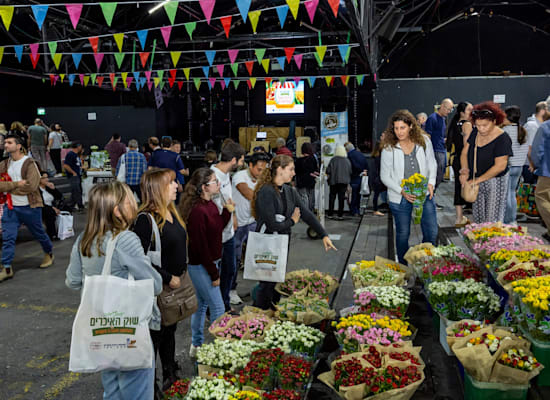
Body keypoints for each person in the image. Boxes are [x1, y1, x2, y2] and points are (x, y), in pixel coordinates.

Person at [65, 181, 162, 400]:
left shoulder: (84, 239)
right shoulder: (125, 239)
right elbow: (154, 284)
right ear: (117, 210)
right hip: (128, 330)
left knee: (113, 390)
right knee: (137, 390)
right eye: (129, 200)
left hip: (103, 329)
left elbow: (72, 281)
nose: (135, 203)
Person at [251, 155, 337, 310]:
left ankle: (271, 312)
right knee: (267, 284)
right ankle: (260, 314)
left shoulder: (289, 191)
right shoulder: (266, 192)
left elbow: (306, 213)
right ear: (280, 170)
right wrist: (292, 222)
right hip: (267, 243)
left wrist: (323, 234)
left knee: (276, 281)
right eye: (290, 169)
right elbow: (271, 224)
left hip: (282, 242)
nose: (293, 173)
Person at [132, 169, 188, 392]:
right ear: (157, 189)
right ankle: (150, 386)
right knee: (154, 337)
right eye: (171, 183)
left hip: (174, 289)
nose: (176, 186)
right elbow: (138, 261)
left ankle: (169, 373)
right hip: (158, 290)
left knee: (170, 331)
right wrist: (166, 277)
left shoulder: (172, 212)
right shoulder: (145, 220)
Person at [178, 168, 233, 357]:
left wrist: (227, 212)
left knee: (201, 305)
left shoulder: (209, 205)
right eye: (214, 181)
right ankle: (221, 350)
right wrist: (214, 274)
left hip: (210, 262)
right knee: (217, 306)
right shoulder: (198, 212)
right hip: (201, 266)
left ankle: (196, 345)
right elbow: (200, 248)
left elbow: (216, 228)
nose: (218, 184)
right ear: (204, 187)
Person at [380, 110, 438, 265]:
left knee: (432, 231)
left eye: (402, 127)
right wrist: (402, 191)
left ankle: (428, 265)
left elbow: (432, 163)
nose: (399, 132)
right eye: (396, 128)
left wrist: (431, 182)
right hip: (399, 197)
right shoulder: (389, 147)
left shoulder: (424, 141)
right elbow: (384, 176)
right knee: (403, 234)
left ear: (411, 126)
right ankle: (404, 269)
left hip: (424, 193)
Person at [0, 135, 54, 282]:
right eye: (5, 142)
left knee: (39, 233)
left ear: (18, 146)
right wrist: (16, 185)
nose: (6, 145)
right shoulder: (4, 164)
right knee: (8, 237)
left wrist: (8, 188)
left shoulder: (30, 163)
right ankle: (6, 267)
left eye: (9, 142)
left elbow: (32, 186)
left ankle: (49, 252)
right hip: (11, 208)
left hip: (30, 207)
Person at [460, 102, 512, 224]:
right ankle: (479, 242)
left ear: (494, 121)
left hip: (495, 182)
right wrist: (464, 171)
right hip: (476, 180)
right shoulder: (475, 132)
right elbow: (464, 153)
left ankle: (490, 242)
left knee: (492, 220)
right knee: (478, 218)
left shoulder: (502, 138)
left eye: (485, 125)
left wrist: (477, 180)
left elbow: (500, 166)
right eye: (478, 125)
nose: (481, 129)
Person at [210, 142, 245, 311]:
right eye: (241, 160)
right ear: (233, 160)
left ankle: (224, 304)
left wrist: (235, 217)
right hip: (216, 235)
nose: (242, 164)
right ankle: (214, 308)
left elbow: (229, 200)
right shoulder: (212, 176)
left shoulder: (226, 175)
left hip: (229, 233)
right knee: (215, 274)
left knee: (230, 270)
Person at [231, 152, 269, 304]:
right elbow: (248, 193)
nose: (262, 173)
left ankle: (260, 289)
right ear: (250, 165)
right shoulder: (240, 176)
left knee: (259, 256)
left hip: (253, 222)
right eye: (259, 169)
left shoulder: (263, 179)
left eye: (264, 170)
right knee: (234, 258)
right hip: (238, 224)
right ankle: (231, 290)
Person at [446, 102, 473, 227]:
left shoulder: (455, 124)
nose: (472, 111)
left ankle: (459, 217)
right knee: (468, 187)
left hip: (456, 159)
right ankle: (462, 217)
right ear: (462, 112)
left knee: (458, 187)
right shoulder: (466, 125)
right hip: (465, 161)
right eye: (469, 109)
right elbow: (467, 146)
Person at [425, 98, 454, 207]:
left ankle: (432, 196)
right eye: (448, 109)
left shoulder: (443, 119)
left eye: (450, 110)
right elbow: (427, 135)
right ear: (442, 106)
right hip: (435, 150)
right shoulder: (432, 118)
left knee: (440, 175)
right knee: (436, 175)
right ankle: (429, 197)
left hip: (441, 149)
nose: (448, 112)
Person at [503, 106, 529, 224]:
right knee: (512, 193)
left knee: (506, 194)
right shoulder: (523, 130)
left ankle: (507, 220)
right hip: (519, 167)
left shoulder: (505, 131)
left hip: (508, 166)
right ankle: (512, 219)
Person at [532, 118, 550, 241]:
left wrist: (537, 164)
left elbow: (537, 149)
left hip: (547, 170)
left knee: (542, 197)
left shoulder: (545, 127)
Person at [524, 101, 549, 184]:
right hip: (529, 165)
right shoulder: (532, 126)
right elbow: (529, 147)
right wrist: (532, 164)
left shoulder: (541, 125)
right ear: (542, 111)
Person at [326, 146, 352, 220]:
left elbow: (328, 171)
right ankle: (340, 215)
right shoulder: (347, 161)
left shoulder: (333, 160)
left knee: (332, 198)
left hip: (334, 182)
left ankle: (330, 214)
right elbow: (350, 171)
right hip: (344, 182)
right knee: (341, 199)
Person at [39, 171, 64, 241]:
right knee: (49, 212)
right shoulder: (37, 190)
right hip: (42, 208)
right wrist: (53, 208)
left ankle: (64, 230)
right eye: (44, 178)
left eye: (47, 177)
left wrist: (54, 189)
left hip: (52, 207)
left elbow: (60, 197)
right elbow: (41, 203)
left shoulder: (48, 188)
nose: (46, 180)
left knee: (66, 208)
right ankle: (52, 234)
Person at [344, 142, 368, 216]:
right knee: (358, 195)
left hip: (354, 177)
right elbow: (366, 164)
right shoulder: (360, 154)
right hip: (361, 177)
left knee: (353, 195)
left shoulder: (350, 155)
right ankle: (357, 209)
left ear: (347, 150)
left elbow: (352, 166)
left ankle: (354, 211)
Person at [295, 143, 319, 212]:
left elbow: (296, 171)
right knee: (311, 196)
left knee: (303, 197)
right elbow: (315, 169)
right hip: (311, 179)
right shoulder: (313, 158)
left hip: (301, 180)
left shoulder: (299, 160)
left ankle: (305, 212)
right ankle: (310, 210)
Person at [63, 142, 84, 211]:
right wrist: (73, 172)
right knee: (76, 191)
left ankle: (71, 205)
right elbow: (66, 165)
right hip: (73, 176)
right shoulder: (70, 154)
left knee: (77, 190)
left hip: (77, 175)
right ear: (78, 146)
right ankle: (80, 206)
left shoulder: (76, 155)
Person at [371, 134, 388, 216]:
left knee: (376, 194)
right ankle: (376, 209)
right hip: (379, 178)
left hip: (375, 178)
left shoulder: (375, 156)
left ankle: (376, 209)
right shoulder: (380, 157)